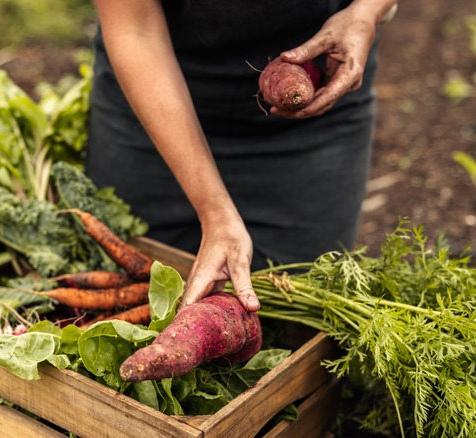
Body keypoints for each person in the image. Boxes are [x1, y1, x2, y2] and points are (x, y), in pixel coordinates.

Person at [85, 0, 398, 313]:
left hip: (317, 93)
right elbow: (135, 29)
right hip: (154, 103)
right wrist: (214, 211)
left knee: (303, 311)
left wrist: (367, 13)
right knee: (134, 293)